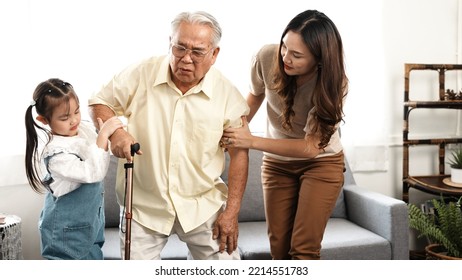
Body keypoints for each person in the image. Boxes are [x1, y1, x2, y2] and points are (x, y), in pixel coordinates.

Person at [88, 11, 249, 260]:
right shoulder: (142, 72)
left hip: (201, 206)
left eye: (197, 52)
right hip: (144, 207)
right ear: (170, 43)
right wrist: (116, 132)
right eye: (179, 48)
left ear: (214, 54)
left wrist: (232, 211)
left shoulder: (227, 94)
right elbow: (98, 102)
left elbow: (240, 153)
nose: (186, 59)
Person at [220, 10, 348, 260]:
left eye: (297, 55)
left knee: (303, 250)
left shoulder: (334, 83)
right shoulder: (266, 57)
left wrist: (251, 140)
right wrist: (236, 130)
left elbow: (311, 148)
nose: (286, 58)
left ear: (319, 60)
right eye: (284, 47)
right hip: (277, 165)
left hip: (321, 165)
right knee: (278, 250)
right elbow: (255, 96)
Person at [24, 78, 123, 259]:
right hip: (65, 234)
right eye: (64, 117)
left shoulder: (81, 128)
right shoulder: (56, 155)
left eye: (76, 112)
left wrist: (111, 132)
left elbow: (97, 146)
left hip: (91, 225)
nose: (73, 120)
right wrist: (103, 135)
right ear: (44, 120)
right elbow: (94, 171)